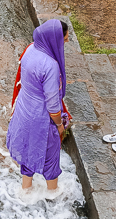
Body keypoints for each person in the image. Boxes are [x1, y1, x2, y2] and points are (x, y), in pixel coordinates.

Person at [7, 20, 71, 201]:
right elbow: (52, 105)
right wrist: (59, 124)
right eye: (64, 39)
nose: (65, 43)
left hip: (23, 111)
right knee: (50, 157)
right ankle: (54, 194)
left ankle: (25, 191)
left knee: (28, 151)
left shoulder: (30, 50)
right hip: (42, 119)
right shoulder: (50, 65)